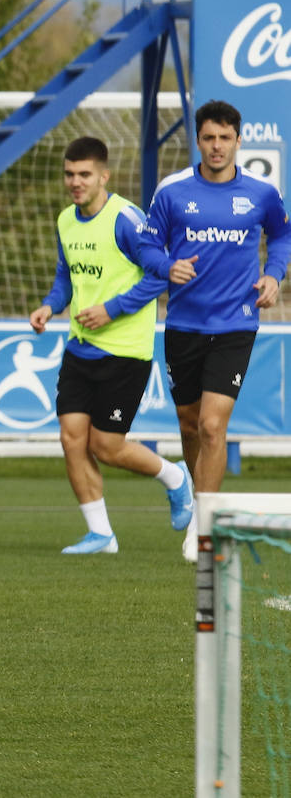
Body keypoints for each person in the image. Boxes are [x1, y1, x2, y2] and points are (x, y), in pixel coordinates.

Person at [138, 99, 291, 562]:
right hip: (183, 324)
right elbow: (146, 244)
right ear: (198, 141)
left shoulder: (262, 193)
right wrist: (167, 266)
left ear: (238, 140)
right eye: (209, 138)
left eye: (226, 138)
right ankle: (193, 489)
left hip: (236, 324)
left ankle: (203, 527)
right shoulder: (172, 191)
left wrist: (274, 275)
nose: (217, 146)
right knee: (188, 425)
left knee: (211, 425)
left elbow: (281, 236)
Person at [28, 137, 194, 554]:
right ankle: (101, 534)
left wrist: (111, 309)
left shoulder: (126, 219)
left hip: (124, 350)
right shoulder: (66, 219)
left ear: (104, 175)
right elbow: (67, 277)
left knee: (107, 445)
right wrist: (49, 307)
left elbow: (161, 274)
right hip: (79, 347)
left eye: (84, 174)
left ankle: (175, 478)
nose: (75, 182)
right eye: (69, 174)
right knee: (71, 438)